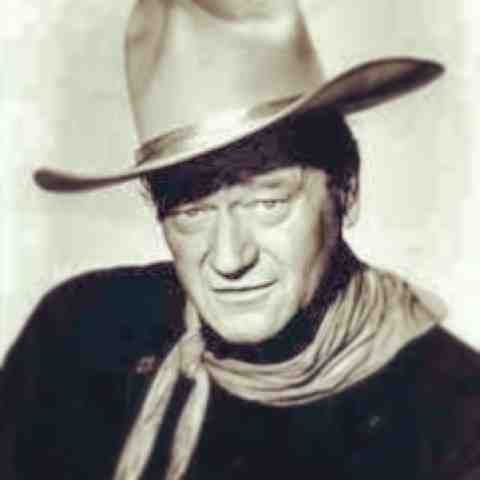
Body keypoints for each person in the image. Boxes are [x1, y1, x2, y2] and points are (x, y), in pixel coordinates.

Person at [1, 1, 480, 479]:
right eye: (192, 211)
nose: (230, 260)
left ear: (346, 192)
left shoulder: (454, 414)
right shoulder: (77, 335)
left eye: (267, 203)